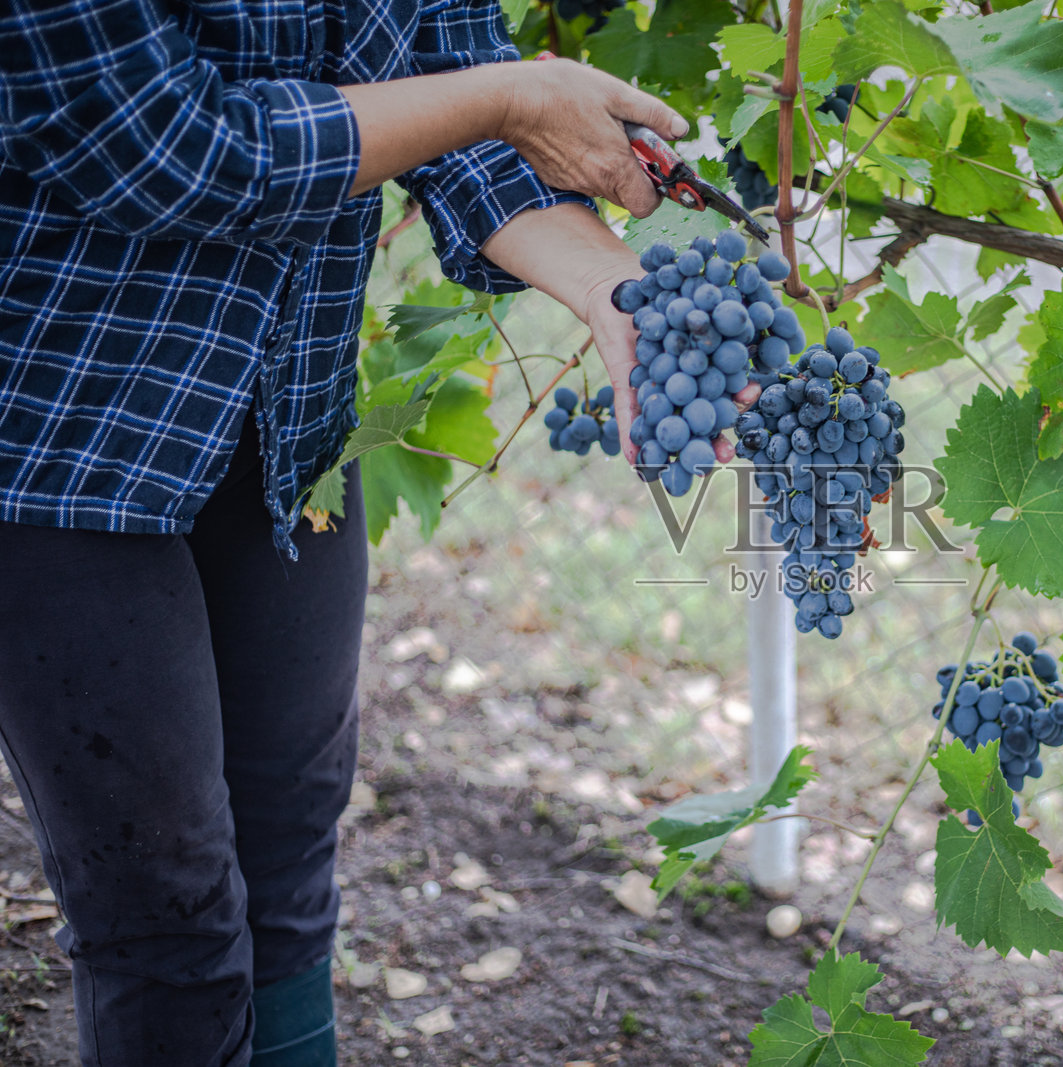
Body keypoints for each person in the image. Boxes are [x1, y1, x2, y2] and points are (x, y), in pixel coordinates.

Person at [0, 0, 746, 1062]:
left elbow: (444, 69)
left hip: (288, 424)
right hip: (58, 438)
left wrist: (611, 289)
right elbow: (168, 152)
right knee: (163, 906)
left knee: (288, 858)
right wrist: (510, 95)